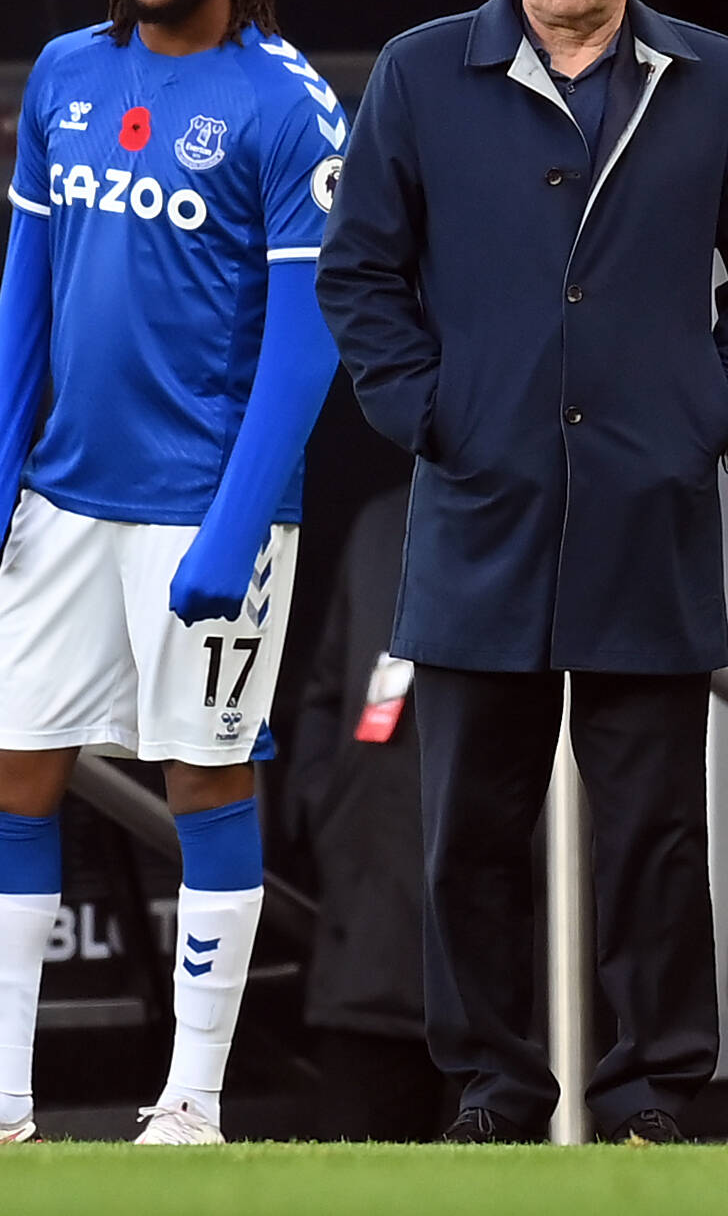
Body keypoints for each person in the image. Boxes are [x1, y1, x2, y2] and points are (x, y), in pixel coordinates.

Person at [316, 0, 728, 1144]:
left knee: (653, 834)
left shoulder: (713, 76)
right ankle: (490, 1086)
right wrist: (436, 414)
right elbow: (358, 277)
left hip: (648, 514)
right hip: (480, 508)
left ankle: (649, 1092)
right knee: (467, 834)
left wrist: (705, 409)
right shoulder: (422, 74)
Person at [0, 0, 344, 1146]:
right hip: (62, 506)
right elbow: (30, 287)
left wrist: (234, 530)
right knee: (6, 770)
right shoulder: (63, 76)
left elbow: (310, 343)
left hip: (207, 509)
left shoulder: (287, 103)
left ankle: (191, 1101)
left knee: (207, 776)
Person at [285, 483, 448, 1141]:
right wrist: (332, 809)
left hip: (507, 975)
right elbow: (328, 692)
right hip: (369, 949)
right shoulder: (382, 522)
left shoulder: (557, 516)